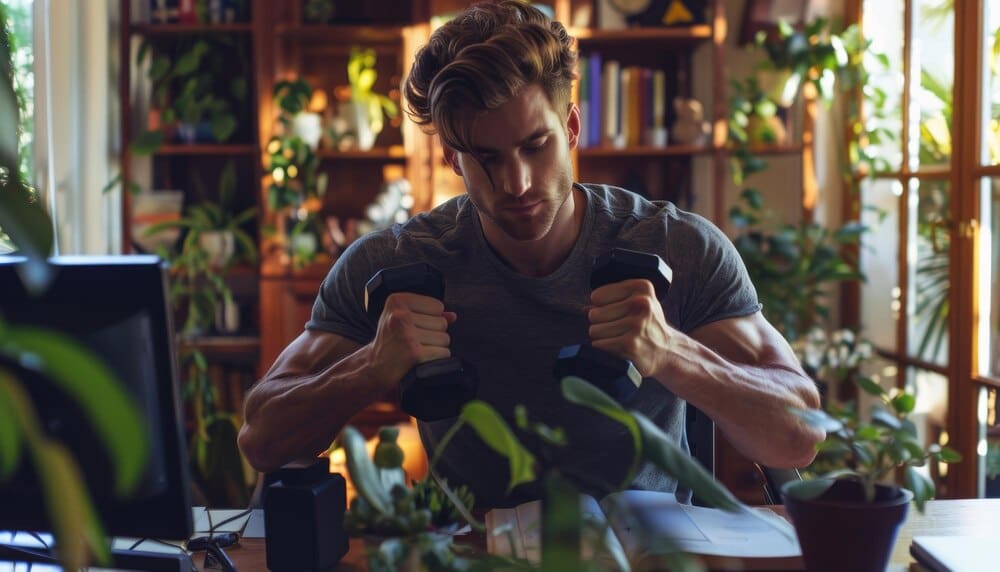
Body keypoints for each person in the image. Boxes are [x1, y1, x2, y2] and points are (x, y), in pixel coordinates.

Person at [239, 0, 822, 508]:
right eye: (485, 158)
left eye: (534, 145)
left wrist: (672, 352)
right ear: (451, 159)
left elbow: (799, 435)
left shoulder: (678, 246)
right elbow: (262, 439)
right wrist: (371, 367)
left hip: (647, 554)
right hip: (472, 553)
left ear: (570, 128)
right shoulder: (390, 264)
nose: (514, 182)